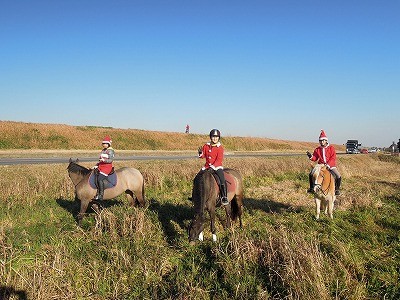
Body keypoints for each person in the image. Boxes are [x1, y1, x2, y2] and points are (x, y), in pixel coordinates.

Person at [198, 129, 228, 205]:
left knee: (222, 179)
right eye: (213, 137)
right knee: (197, 178)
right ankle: (196, 195)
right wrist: (200, 153)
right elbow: (203, 156)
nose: (215, 138)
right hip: (207, 166)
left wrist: (213, 167)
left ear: (219, 138)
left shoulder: (220, 148)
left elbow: (219, 159)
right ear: (210, 137)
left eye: (216, 137)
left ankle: (224, 196)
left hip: (217, 167)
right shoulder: (206, 146)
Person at [306, 130, 342, 195]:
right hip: (320, 165)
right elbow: (315, 158)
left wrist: (328, 165)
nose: (322, 142)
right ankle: (311, 188)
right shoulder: (317, 149)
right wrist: (311, 156)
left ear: (326, 141)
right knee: (311, 174)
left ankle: (337, 189)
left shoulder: (331, 148)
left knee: (338, 175)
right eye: (320, 141)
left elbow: (333, 158)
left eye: (323, 140)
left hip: (330, 165)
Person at [93, 136, 115, 201]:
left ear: (108, 144)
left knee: (100, 179)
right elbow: (100, 160)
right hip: (101, 166)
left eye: (105, 143)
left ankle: (101, 195)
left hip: (107, 167)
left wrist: (103, 160)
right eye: (103, 144)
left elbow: (110, 160)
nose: (104, 145)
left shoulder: (111, 151)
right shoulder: (103, 150)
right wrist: (96, 165)